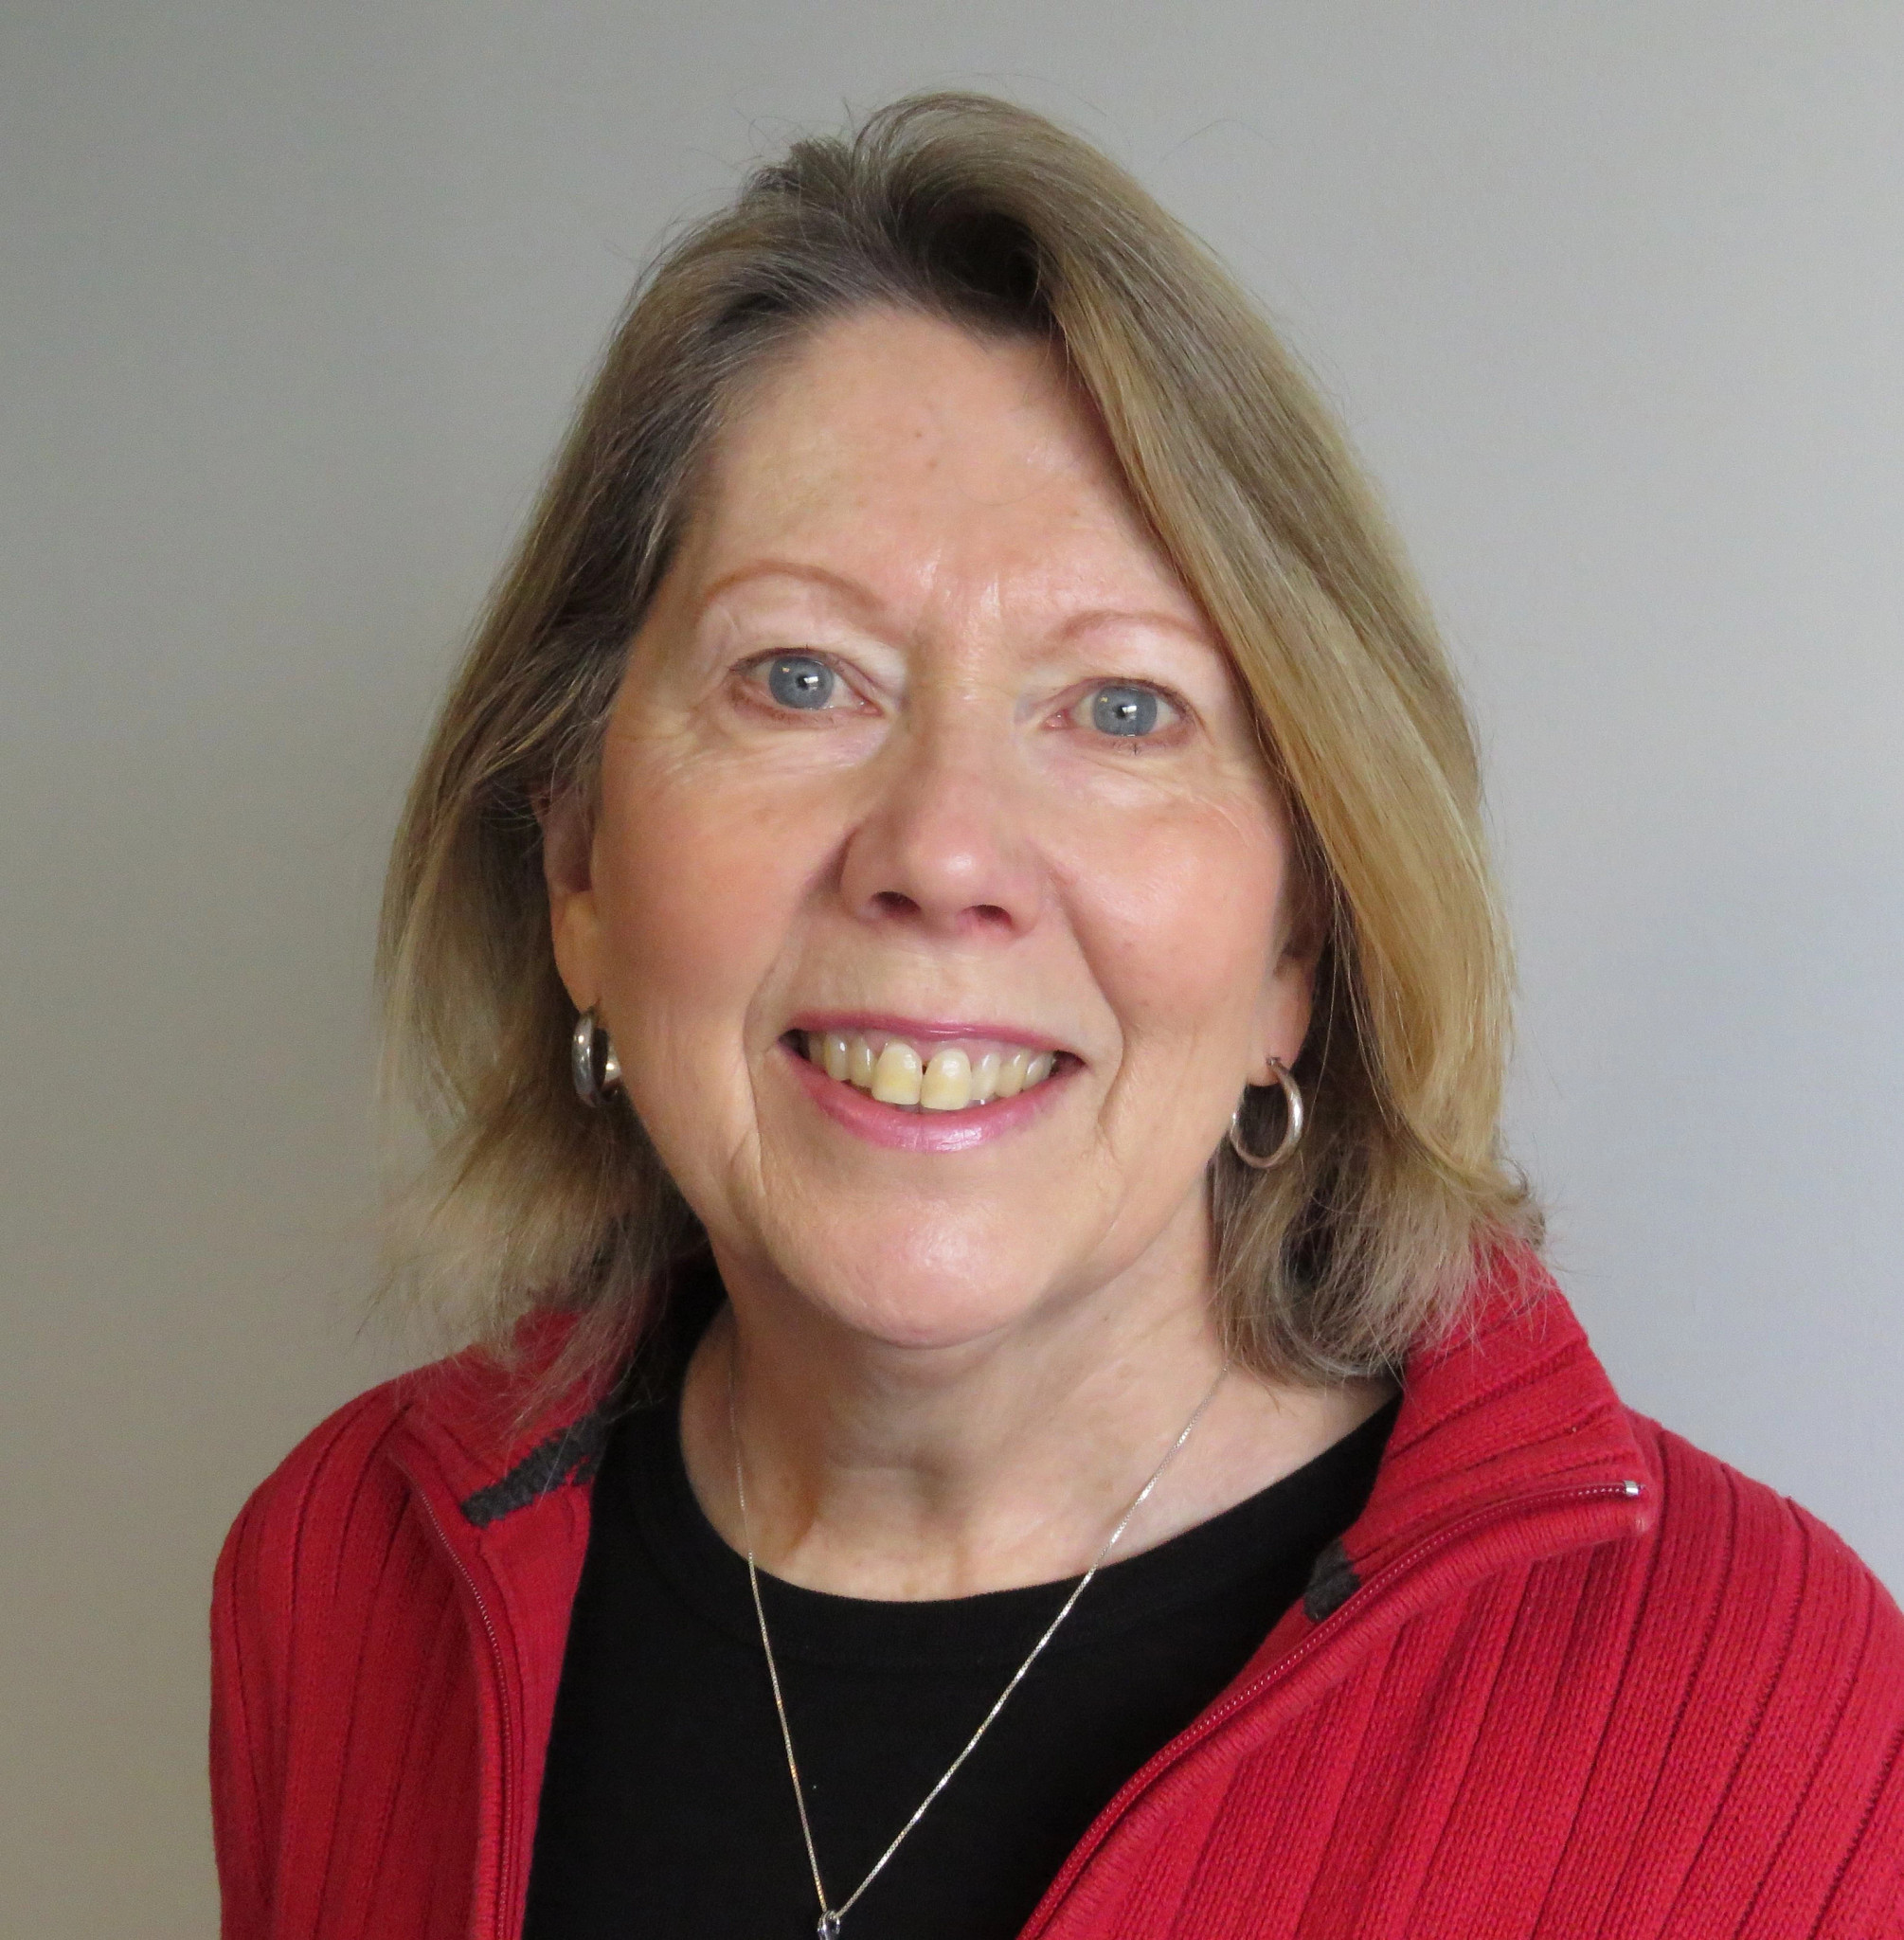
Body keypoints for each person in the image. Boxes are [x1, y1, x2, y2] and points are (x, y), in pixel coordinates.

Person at [209, 94, 1904, 1940]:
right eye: (800, 677)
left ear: (1299, 939)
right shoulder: (339, 1575)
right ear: (578, 869)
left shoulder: (1774, 1723)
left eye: (1120, 709)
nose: (942, 853)